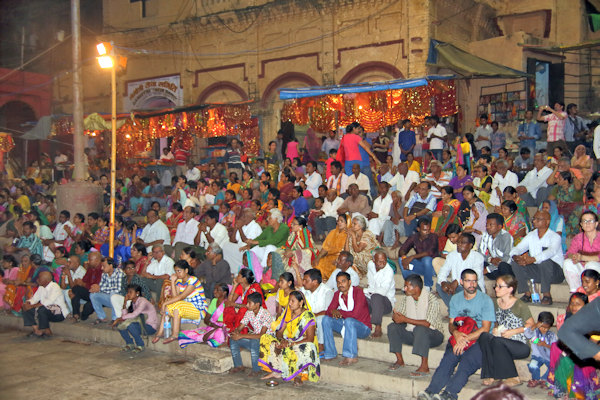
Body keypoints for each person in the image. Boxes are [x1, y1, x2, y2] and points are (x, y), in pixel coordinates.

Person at [417, 269, 495, 400]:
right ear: (461, 282)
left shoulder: (485, 300)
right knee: (448, 359)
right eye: (468, 281)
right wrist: (456, 333)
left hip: (482, 340)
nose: (472, 284)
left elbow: (486, 329)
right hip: (462, 334)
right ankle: (431, 391)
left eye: (474, 281)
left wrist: (464, 339)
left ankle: (449, 394)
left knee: (467, 361)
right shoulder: (455, 299)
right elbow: (452, 324)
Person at [478, 275, 534, 387]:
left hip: (519, 345)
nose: (496, 289)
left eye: (500, 286)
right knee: (484, 336)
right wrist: (495, 328)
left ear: (510, 289)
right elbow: (497, 321)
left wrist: (513, 331)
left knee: (497, 341)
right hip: (501, 341)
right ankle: (491, 374)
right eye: (496, 286)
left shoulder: (519, 305)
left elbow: (532, 325)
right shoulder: (495, 303)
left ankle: (514, 377)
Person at [387, 274, 444, 375]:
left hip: (434, 335)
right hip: (413, 332)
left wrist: (404, 319)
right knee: (392, 327)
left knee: (420, 329)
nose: (404, 289)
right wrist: (396, 317)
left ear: (416, 288)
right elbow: (402, 317)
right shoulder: (407, 298)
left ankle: (424, 367)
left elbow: (427, 324)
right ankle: (399, 360)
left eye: (407, 286)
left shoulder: (431, 299)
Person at [259, 290, 320, 385]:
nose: (290, 304)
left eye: (293, 301)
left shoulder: (308, 315)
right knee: (266, 338)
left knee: (307, 347)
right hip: (288, 341)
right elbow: (279, 332)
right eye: (289, 301)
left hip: (302, 343)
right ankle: (277, 371)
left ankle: (299, 375)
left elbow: (310, 339)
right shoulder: (288, 313)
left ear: (301, 303)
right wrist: (282, 341)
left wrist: (291, 344)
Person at [551, 293, 600, 399]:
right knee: (559, 352)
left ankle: (583, 392)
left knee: (576, 362)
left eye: (578, 304)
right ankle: (563, 390)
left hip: (590, 353)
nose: (574, 306)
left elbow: (593, 343)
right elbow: (566, 340)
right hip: (575, 351)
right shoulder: (567, 319)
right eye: (572, 304)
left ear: (586, 306)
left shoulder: (592, 318)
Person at [510, 210, 564, 305]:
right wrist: (516, 256)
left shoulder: (555, 237)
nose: (534, 221)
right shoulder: (531, 235)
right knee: (515, 263)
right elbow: (518, 248)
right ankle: (527, 293)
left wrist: (533, 259)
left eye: (538, 219)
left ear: (547, 222)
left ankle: (547, 295)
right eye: (534, 219)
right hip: (538, 271)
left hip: (555, 273)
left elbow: (551, 251)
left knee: (545, 261)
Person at [153, 260, 207, 344]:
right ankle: (160, 333)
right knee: (168, 308)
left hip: (198, 309)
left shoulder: (193, 280)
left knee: (175, 307)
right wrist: (172, 283)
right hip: (185, 306)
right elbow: (175, 297)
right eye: (176, 271)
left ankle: (175, 335)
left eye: (179, 271)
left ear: (186, 270)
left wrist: (164, 303)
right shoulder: (179, 281)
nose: (177, 273)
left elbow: (181, 297)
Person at [322, 272, 371, 365]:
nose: (340, 284)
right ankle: (330, 353)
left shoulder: (358, 292)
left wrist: (339, 312)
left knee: (349, 321)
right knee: (326, 319)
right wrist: (333, 311)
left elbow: (355, 315)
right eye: (338, 282)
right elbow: (329, 311)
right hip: (347, 324)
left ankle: (351, 355)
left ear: (349, 282)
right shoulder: (337, 294)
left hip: (363, 328)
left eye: (343, 281)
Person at [228, 291, 274, 376]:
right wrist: (236, 333)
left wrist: (241, 336)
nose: (247, 305)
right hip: (256, 341)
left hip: (266, 343)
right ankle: (238, 365)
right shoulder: (249, 313)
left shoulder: (266, 314)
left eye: (249, 303)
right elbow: (241, 326)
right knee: (233, 339)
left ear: (257, 304)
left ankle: (256, 370)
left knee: (254, 341)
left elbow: (261, 335)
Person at [436, 233, 485, 307]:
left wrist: (457, 281)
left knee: (471, 286)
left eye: (462, 243)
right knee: (439, 285)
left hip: (472, 287)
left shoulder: (478, 257)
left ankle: (459, 311)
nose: (458, 244)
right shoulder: (452, 255)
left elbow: (475, 276)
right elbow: (444, 270)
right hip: (456, 288)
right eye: (458, 242)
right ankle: (454, 310)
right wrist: (443, 282)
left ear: (470, 245)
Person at [178, 283, 229, 348]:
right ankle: (210, 339)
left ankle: (211, 339)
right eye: (214, 289)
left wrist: (216, 328)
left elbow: (228, 323)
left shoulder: (227, 304)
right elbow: (206, 319)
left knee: (219, 332)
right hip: (211, 326)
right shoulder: (214, 301)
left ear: (224, 293)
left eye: (217, 290)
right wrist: (213, 326)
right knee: (182, 334)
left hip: (222, 329)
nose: (214, 291)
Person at [21, 270, 68, 337]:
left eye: (39, 278)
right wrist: (28, 303)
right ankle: (36, 330)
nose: (37, 280)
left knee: (42, 309)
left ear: (46, 280)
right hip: (46, 311)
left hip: (59, 314)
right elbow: (34, 299)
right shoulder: (41, 287)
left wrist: (32, 306)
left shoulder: (55, 287)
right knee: (25, 307)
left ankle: (46, 330)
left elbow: (48, 302)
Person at [113, 284, 158, 353]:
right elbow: (126, 315)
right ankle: (129, 343)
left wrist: (120, 318)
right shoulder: (133, 303)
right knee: (120, 324)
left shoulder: (143, 301)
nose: (128, 294)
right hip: (141, 325)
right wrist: (124, 303)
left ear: (137, 293)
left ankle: (140, 345)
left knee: (131, 325)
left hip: (150, 327)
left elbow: (134, 314)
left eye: (130, 292)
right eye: (128, 292)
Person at [299, 268, 333, 355]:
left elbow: (328, 311)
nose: (303, 283)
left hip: (321, 318)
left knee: (320, 319)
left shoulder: (327, 292)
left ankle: (321, 345)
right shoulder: (302, 291)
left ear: (315, 282)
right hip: (307, 317)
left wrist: (313, 315)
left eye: (306, 280)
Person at [398, 218, 438, 290]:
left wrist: (412, 257)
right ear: (418, 229)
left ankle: (428, 286)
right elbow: (402, 249)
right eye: (424, 230)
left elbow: (429, 252)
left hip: (431, 269)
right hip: (418, 267)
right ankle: (410, 284)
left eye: (429, 230)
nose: (427, 232)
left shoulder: (433, 237)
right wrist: (404, 258)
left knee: (427, 259)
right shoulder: (414, 237)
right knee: (401, 260)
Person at [364, 250, 395, 338]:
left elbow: (382, 292)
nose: (382, 263)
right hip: (371, 299)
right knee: (358, 295)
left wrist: (365, 290)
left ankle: (378, 327)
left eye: (384, 261)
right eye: (379, 261)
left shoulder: (389, 271)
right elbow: (370, 282)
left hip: (385, 303)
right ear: (373, 260)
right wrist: (365, 291)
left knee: (377, 296)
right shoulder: (370, 265)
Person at [524, 311, 557, 388]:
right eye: (542, 327)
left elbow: (555, 348)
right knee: (532, 365)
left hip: (548, 358)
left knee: (554, 368)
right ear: (539, 324)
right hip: (537, 356)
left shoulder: (552, 335)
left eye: (546, 328)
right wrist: (535, 325)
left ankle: (544, 379)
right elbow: (527, 334)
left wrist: (545, 344)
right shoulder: (534, 332)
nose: (544, 329)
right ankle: (536, 379)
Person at [89, 257, 125, 324]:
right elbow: (101, 287)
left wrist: (100, 288)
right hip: (110, 299)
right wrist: (95, 288)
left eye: (104, 266)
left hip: (120, 300)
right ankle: (101, 317)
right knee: (93, 295)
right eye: (101, 266)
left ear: (111, 265)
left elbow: (118, 289)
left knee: (113, 294)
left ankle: (115, 318)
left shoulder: (119, 272)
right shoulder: (104, 274)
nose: (102, 268)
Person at [70, 251, 103, 322]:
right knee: (75, 290)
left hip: (99, 294)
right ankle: (75, 314)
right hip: (89, 291)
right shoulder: (90, 269)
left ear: (97, 260)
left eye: (90, 260)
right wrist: (79, 282)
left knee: (88, 307)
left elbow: (96, 285)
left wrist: (83, 284)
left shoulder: (102, 270)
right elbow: (84, 280)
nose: (88, 262)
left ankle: (81, 316)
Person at [313, 215, 348, 281]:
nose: (339, 223)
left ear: (347, 223)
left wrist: (338, 260)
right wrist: (318, 258)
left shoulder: (348, 234)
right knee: (318, 265)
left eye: (342, 221)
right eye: (338, 220)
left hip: (340, 259)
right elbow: (325, 247)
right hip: (329, 257)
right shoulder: (332, 232)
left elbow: (347, 252)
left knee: (336, 270)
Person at [480, 213, 514, 279]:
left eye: (491, 225)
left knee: (503, 265)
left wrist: (488, 269)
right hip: (493, 264)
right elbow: (480, 253)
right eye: (487, 224)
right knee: (478, 260)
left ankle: (506, 283)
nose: (487, 227)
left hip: (505, 267)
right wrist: (490, 259)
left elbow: (507, 258)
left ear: (499, 227)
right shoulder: (485, 235)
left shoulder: (506, 237)